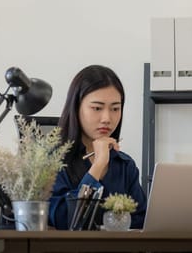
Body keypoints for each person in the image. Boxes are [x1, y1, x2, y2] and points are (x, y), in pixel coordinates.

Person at [48, 65, 147, 230]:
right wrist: (98, 166)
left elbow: (141, 221)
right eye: (97, 108)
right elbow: (65, 220)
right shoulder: (55, 160)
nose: (107, 118)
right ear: (76, 107)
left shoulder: (125, 165)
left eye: (115, 108)